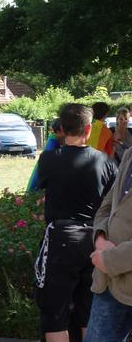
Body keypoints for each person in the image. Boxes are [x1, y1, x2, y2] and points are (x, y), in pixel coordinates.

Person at [32, 103, 117, 342]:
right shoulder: (104, 161)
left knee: (54, 312)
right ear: (88, 128)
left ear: (61, 127)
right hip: (95, 237)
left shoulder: (49, 159)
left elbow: (41, 184)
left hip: (60, 237)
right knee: (87, 311)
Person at [87, 146, 132, 340]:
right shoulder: (129, 153)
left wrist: (110, 259)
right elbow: (108, 206)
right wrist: (100, 238)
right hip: (109, 284)